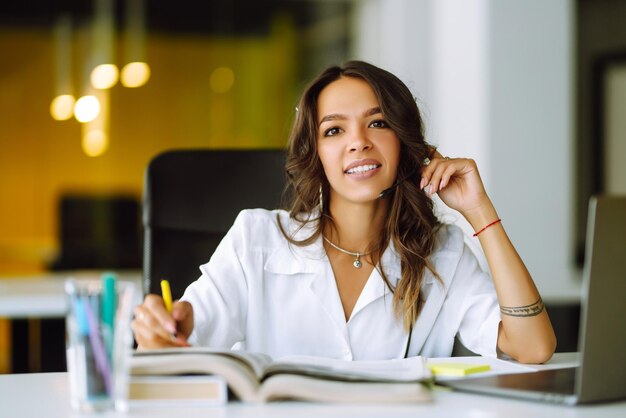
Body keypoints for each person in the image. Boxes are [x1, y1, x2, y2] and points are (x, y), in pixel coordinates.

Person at [132, 61, 556, 363]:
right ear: (316, 153)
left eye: (377, 123)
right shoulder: (255, 238)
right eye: (334, 130)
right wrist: (164, 328)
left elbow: (533, 348)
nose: (358, 142)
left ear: (404, 144)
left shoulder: (442, 252)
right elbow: (182, 334)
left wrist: (480, 213)